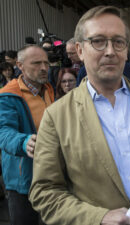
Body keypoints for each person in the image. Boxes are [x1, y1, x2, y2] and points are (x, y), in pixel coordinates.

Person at [29, 6, 130, 225]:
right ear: (80, 50)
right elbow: (44, 191)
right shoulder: (56, 116)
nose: (110, 51)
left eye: (118, 42)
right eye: (98, 41)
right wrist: (99, 218)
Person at [0, 45, 55, 225]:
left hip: (51, 176)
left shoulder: (48, 89)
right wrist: (24, 142)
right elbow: (3, 132)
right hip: (22, 179)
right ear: (20, 65)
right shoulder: (8, 95)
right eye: (36, 63)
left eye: (46, 63)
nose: (44, 68)